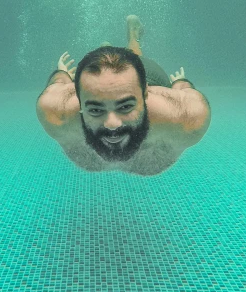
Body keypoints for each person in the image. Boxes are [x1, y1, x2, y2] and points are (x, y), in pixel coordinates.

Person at [36, 15, 211, 176]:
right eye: (96, 109)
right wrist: (62, 73)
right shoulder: (55, 112)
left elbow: (188, 97)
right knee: (110, 67)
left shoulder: (187, 118)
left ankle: (132, 38)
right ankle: (109, 50)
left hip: (151, 77)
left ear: (145, 94)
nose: (112, 124)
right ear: (79, 101)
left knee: (134, 59)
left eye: (125, 107)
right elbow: (57, 84)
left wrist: (179, 84)